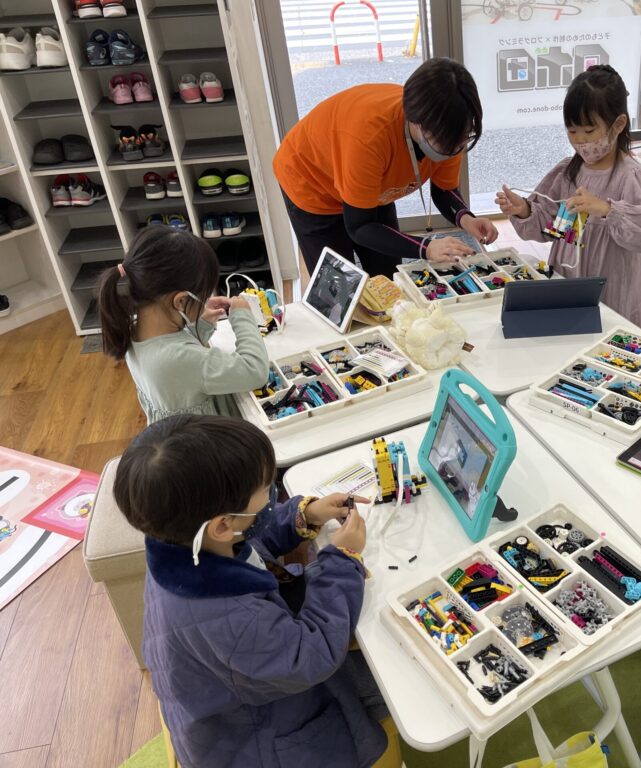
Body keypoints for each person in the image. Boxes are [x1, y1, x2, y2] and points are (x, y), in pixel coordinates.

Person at [115, 414, 400, 768]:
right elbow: (311, 658)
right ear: (222, 524)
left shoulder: (183, 543)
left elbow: (250, 540)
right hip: (261, 741)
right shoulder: (232, 619)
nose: (271, 498)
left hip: (235, 696)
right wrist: (343, 559)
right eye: (266, 491)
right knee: (402, 682)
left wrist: (303, 515)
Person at [274, 58, 497, 277]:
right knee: (338, 283)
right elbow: (360, 226)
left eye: (461, 140)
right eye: (440, 141)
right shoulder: (370, 137)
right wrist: (426, 248)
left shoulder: (450, 130)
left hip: (373, 189)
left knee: (388, 276)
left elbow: (444, 190)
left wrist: (467, 219)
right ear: (414, 120)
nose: (450, 150)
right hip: (312, 184)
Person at [494, 65, 641, 330]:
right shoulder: (568, 172)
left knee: (609, 339)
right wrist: (525, 210)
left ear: (618, 124)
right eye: (572, 131)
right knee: (569, 337)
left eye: (589, 131)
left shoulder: (630, 176)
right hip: (567, 281)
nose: (580, 140)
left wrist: (608, 209)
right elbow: (551, 226)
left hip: (613, 289)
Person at [98, 226, 269, 424]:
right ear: (180, 301)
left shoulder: (134, 329)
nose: (204, 301)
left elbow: (176, 356)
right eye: (202, 296)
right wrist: (243, 316)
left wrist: (200, 322)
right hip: (212, 439)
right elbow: (254, 370)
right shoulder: (180, 359)